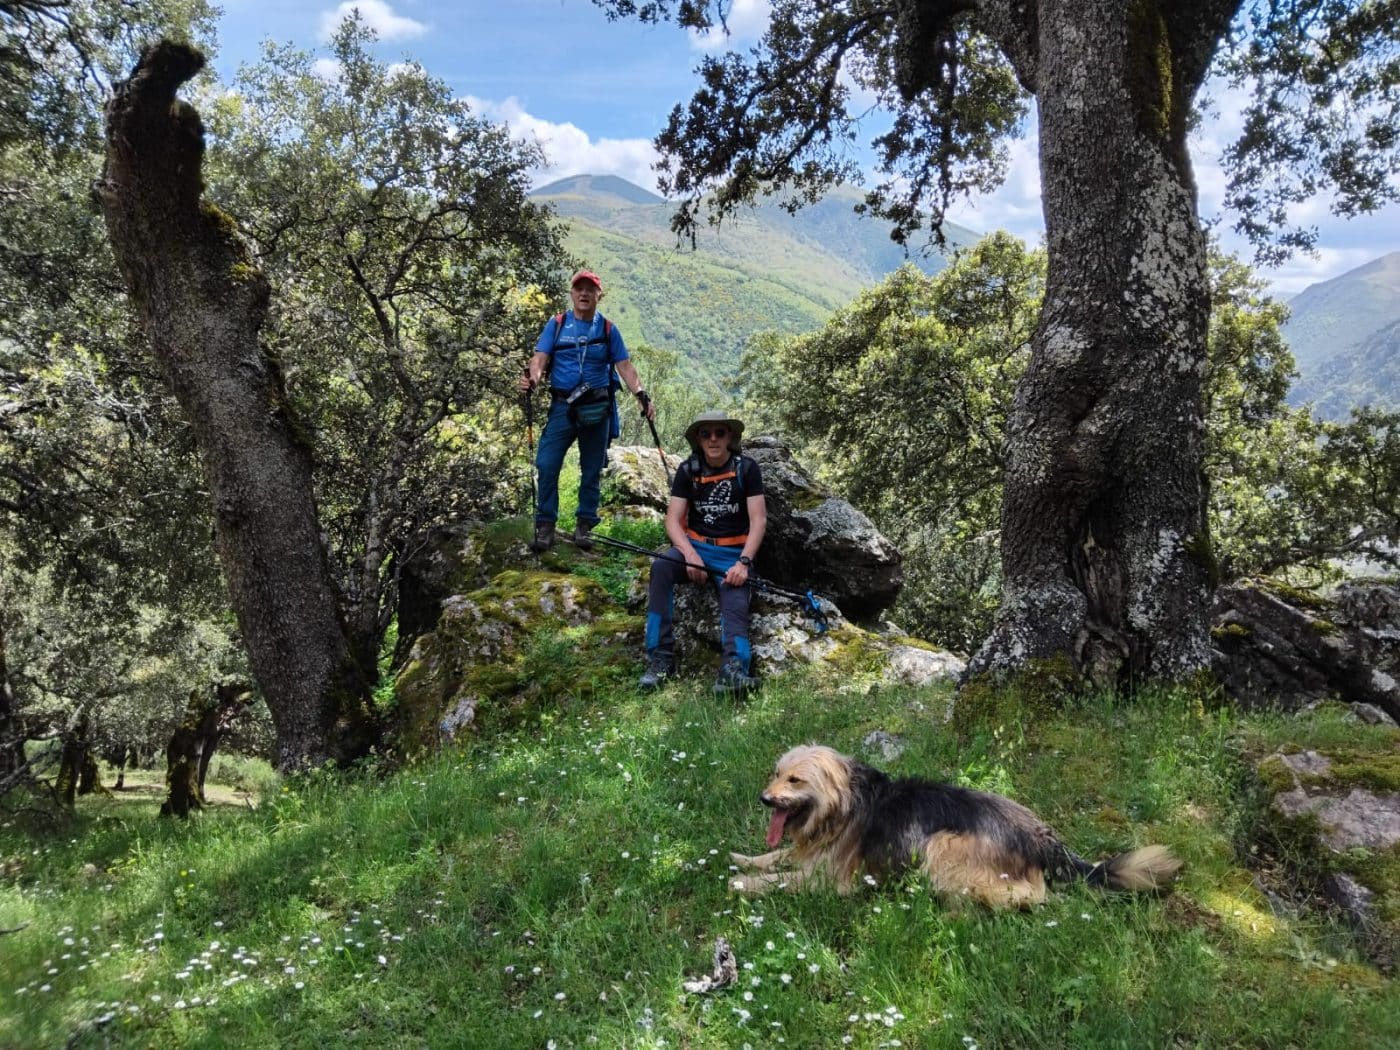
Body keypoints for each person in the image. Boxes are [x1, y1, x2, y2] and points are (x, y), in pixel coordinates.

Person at [520, 270, 655, 552]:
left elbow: (625, 366)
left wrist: (641, 394)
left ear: (598, 295)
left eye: (589, 290)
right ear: (571, 293)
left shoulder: (607, 329)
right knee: (546, 463)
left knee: (591, 469)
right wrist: (532, 379)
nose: (584, 294)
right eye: (579, 289)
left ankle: (585, 526)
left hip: (597, 409)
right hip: (562, 407)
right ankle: (545, 526)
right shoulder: (556, 325)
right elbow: (540, 359)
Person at [640, 409, 767, 694]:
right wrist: (690, 556)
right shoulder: (688, 470)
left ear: (729, 437)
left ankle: (733, 671)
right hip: (695, 548)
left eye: (719, 432)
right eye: (705, 433)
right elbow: (672, 520)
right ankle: (661, 659)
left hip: (733, 554)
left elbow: (759, 520)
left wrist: (744, 563)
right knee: (661, 567)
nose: (713, 439)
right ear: (698, 439)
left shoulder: (747, 469)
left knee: (735, 603)